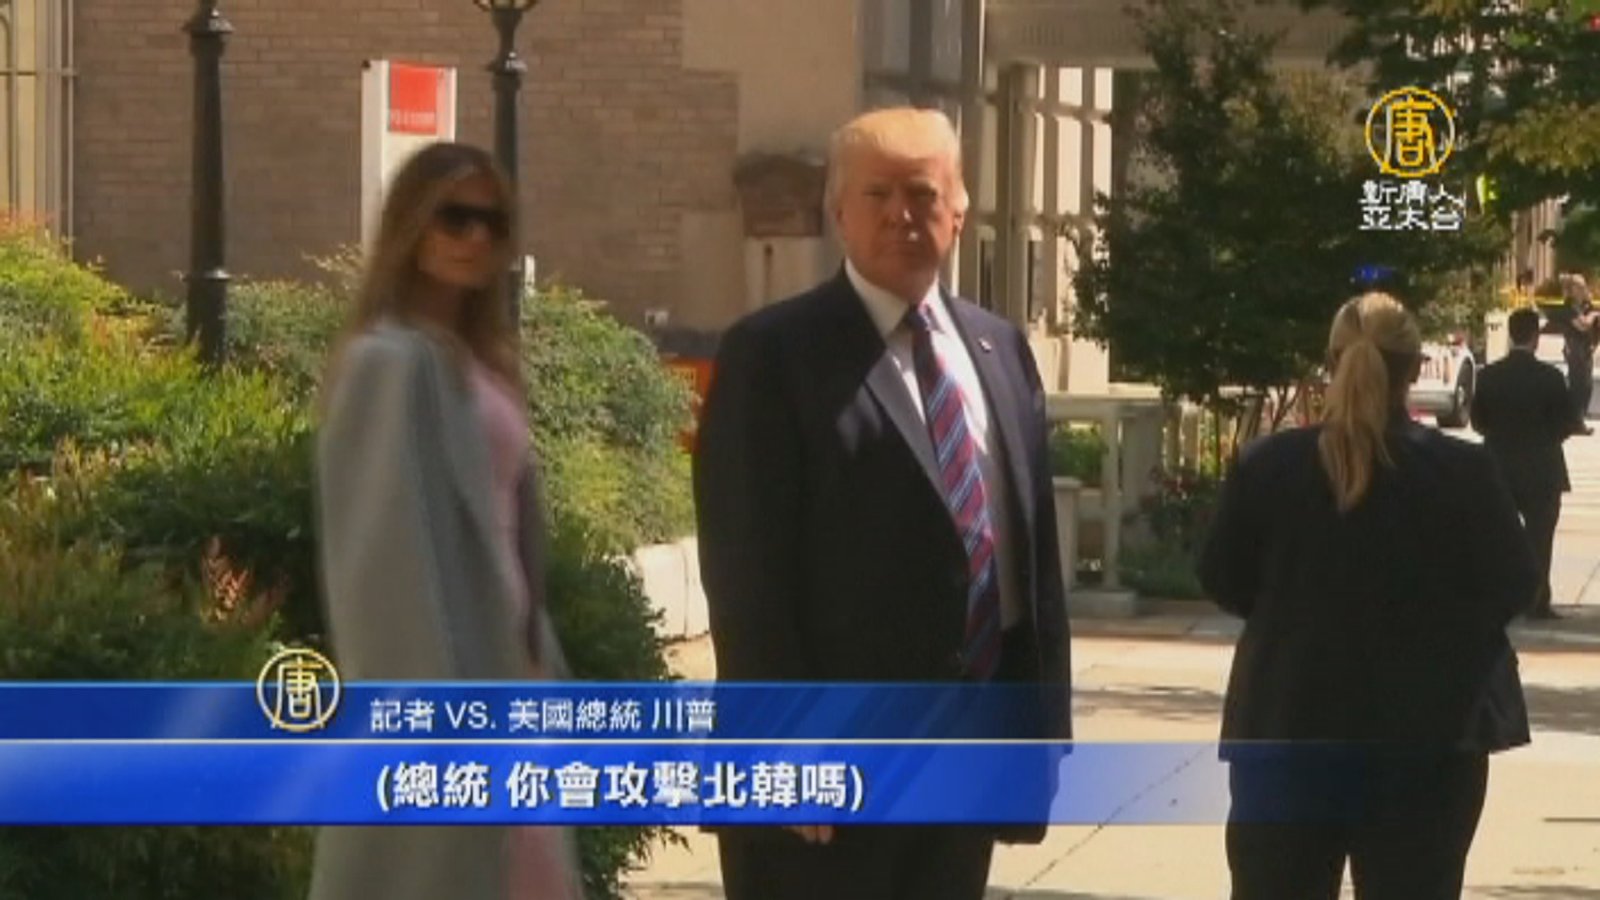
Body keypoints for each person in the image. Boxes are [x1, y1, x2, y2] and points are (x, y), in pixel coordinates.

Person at [692, 106, 1071, 900]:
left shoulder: (1000, 351)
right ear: (839, 211)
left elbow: (1031, 558)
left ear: (959, 210)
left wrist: (1041, 733)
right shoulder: (774, 354)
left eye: (922, 193)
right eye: (877, 194)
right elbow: (745, 575)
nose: (902, 213)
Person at [310, 141, 584, 900]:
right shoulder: (386, 362)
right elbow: (378, 562)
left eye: (493, 223)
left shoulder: (482, 359)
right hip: (446, 681)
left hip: (511, 664)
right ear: (412, 225)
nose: (474, 239)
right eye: (454, 218)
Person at [1200, 293, 1536, 900]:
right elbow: (1514, 583)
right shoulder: (1463, 472)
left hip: (1288, 724)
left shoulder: (1267, 466)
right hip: (1429, 740)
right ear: (1414, 368)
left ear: (1331, 362)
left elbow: (1222, 577)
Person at [1472, 307, 1576, 619]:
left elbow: (1478, 421)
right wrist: (1546, 438)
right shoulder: (1551, 378)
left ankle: (1501, 596)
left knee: (1499, 536)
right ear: (1535, 336)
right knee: (1540, 539)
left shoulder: (1488, 376)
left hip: (1498, 466)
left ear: (1510, 334)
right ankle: (1537, 599)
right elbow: (1567, 422)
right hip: (1542, 467)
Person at [1559, 273, 1598, 432]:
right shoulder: (1569, 307)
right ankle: (1575, 421)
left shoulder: (1587, 306)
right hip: (1575, 349)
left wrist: (1595, 344)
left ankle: (1578, 419)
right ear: (1572, 289)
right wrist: (1594, 316)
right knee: (1577, 385)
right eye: (1579, 287)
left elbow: (1596, 327)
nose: (1582, 289)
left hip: (1586, 350)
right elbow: (1582, 325)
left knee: (1587, 385)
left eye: (1583, 286)